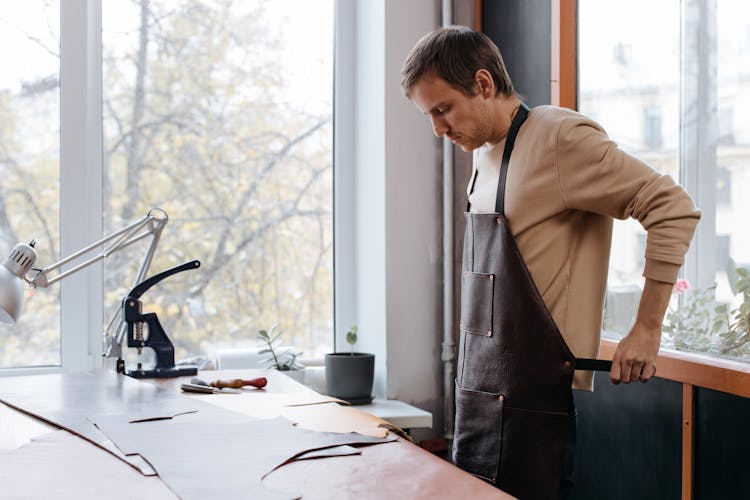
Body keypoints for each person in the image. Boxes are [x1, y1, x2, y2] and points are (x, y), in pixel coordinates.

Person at [400, 26, 700, 500]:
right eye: (429, 116)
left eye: (443, 110)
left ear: (483, 84)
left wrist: (646, 329)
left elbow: (672, 206)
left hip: (541, 407)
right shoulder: (483, 156)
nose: (438, 129)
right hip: (481, 401)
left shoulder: (560, 137)